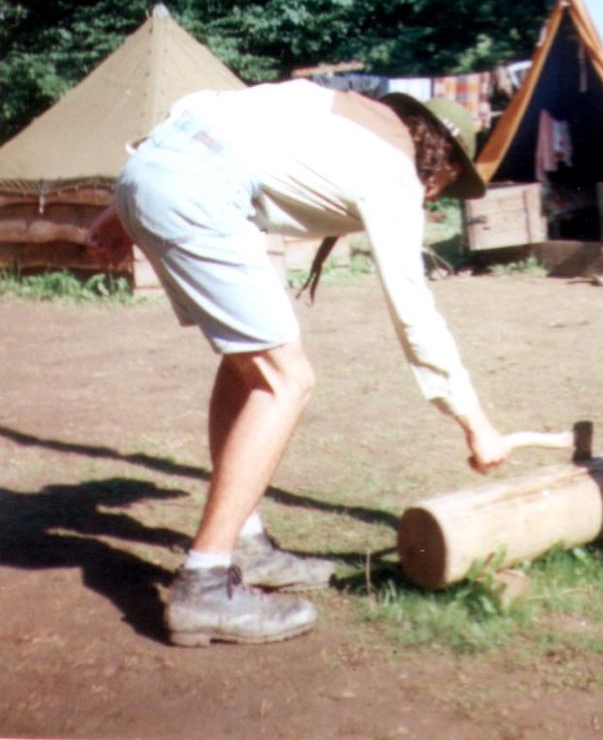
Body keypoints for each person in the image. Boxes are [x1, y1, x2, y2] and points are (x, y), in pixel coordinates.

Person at [86, 79, 509, 646]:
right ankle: (205, 583)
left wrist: (124, 206)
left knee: (250, 364)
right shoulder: (394, 173)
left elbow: (211, 121)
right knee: (288, 381)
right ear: (443, 165)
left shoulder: (335, 108)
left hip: (156, 167)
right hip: (198, 192)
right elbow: (415, 313)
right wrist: (474, 422)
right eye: (447, 186)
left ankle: (245, 542)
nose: (435, 198)